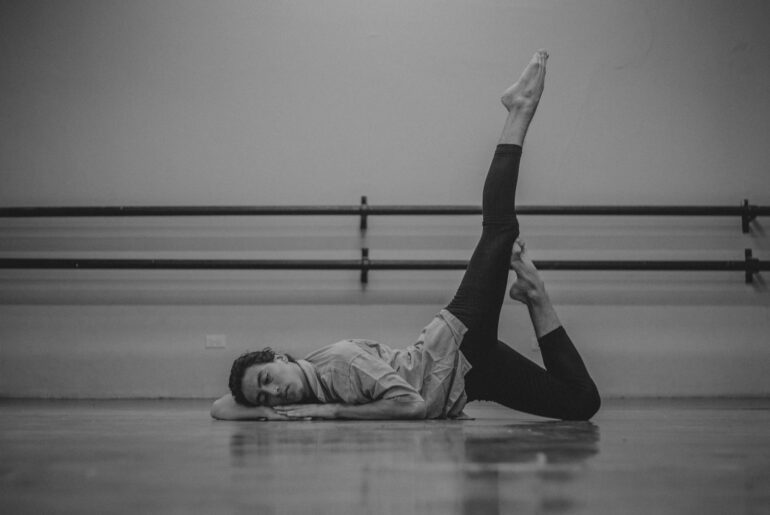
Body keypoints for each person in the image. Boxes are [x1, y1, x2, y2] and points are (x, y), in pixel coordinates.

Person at [211, 50, 600, 422]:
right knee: (580, 402)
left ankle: (519, 108)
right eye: (263, 397)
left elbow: (411, 405)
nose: (274, 394)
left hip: (456, 344)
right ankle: (535, 295)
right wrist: (266, 408)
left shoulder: (341, 362)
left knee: (499, 228)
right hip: (466, 378)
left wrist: (333, 412)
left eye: (267, 381)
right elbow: (220, 407)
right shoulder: (306, 382)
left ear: (280, 359)